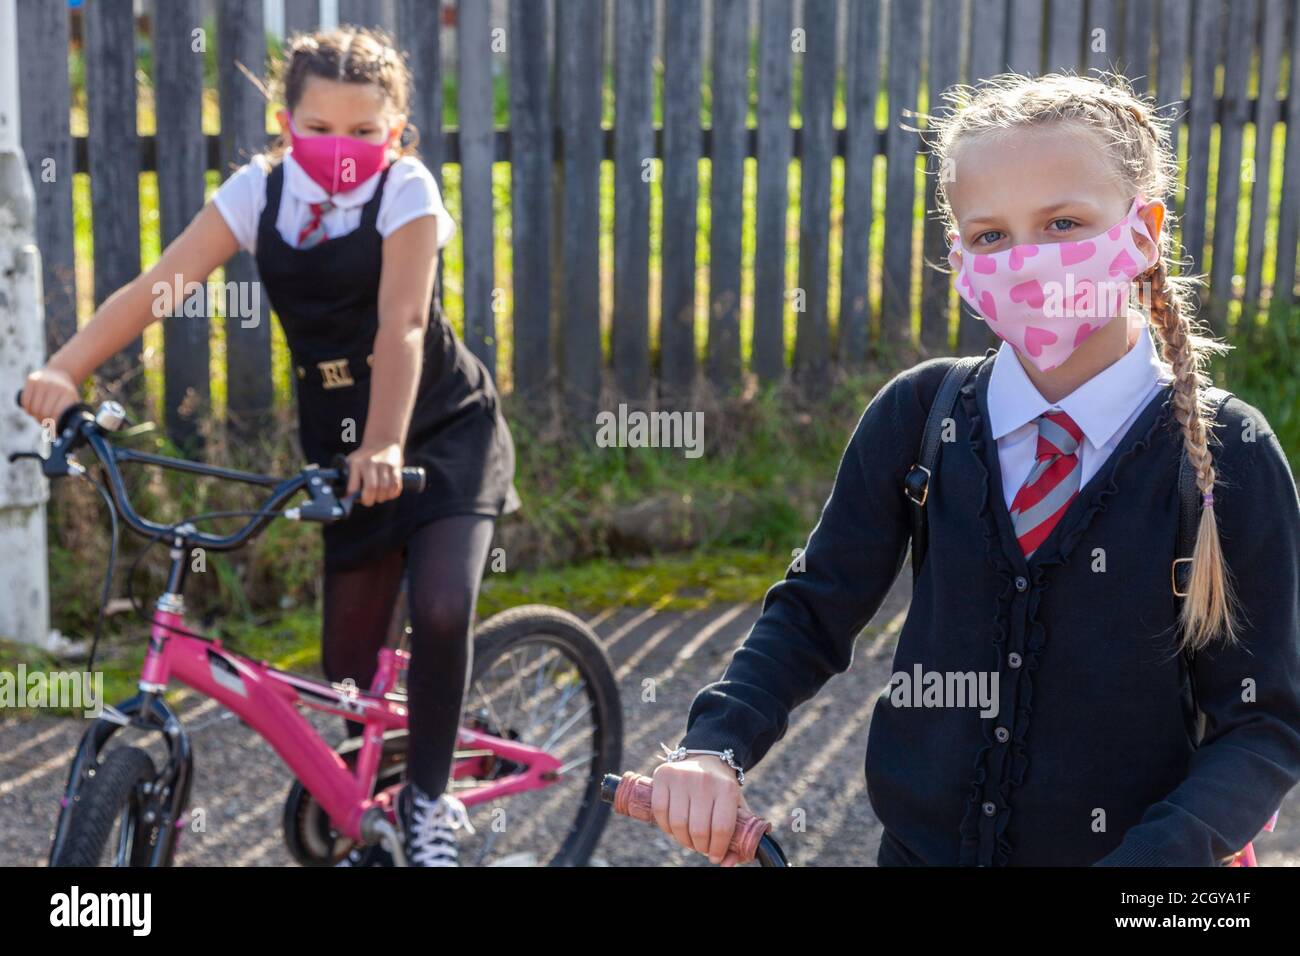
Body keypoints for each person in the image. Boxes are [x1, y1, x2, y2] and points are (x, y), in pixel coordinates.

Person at [651, 73, 1300, 866]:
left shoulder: (1230, 452)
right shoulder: (919, 415)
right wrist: (712, 748)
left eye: (1064, 222)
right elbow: (813, 610)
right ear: (958, 254)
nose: (1028, 262)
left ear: (1142, 231)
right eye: (992, 236)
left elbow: (1262, 721)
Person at [20, 26, 520, 867]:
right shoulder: (261, 195)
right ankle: (402, 775)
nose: (342, 150)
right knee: (348, 676)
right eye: (320, 129)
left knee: (439, 606)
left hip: (436, 433)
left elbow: (400, 327)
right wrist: (65, 371)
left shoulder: (407, 193)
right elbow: (159, 289)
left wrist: (389, 445)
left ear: (395, 134)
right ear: (287, 125)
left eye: (365, 132)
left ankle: (432, 807)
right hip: (342, 447)